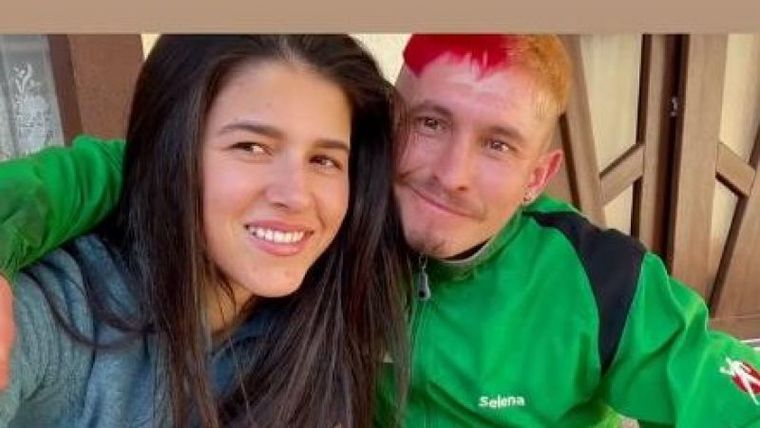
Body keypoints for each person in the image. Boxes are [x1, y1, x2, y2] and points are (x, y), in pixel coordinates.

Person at [2, 33, 760, 427]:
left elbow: (721, 389)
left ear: (539, 174)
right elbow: (131, 167)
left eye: (498, 145)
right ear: (388, 129)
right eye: (430, 124)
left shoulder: (599, 282)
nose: (451, 174)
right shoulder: (330, 231)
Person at [0, 34, 411, 427]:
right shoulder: (63, 311)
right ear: (170, 152)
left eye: (323, 160)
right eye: (251, 147)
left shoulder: (327, 320)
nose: (296, 196)